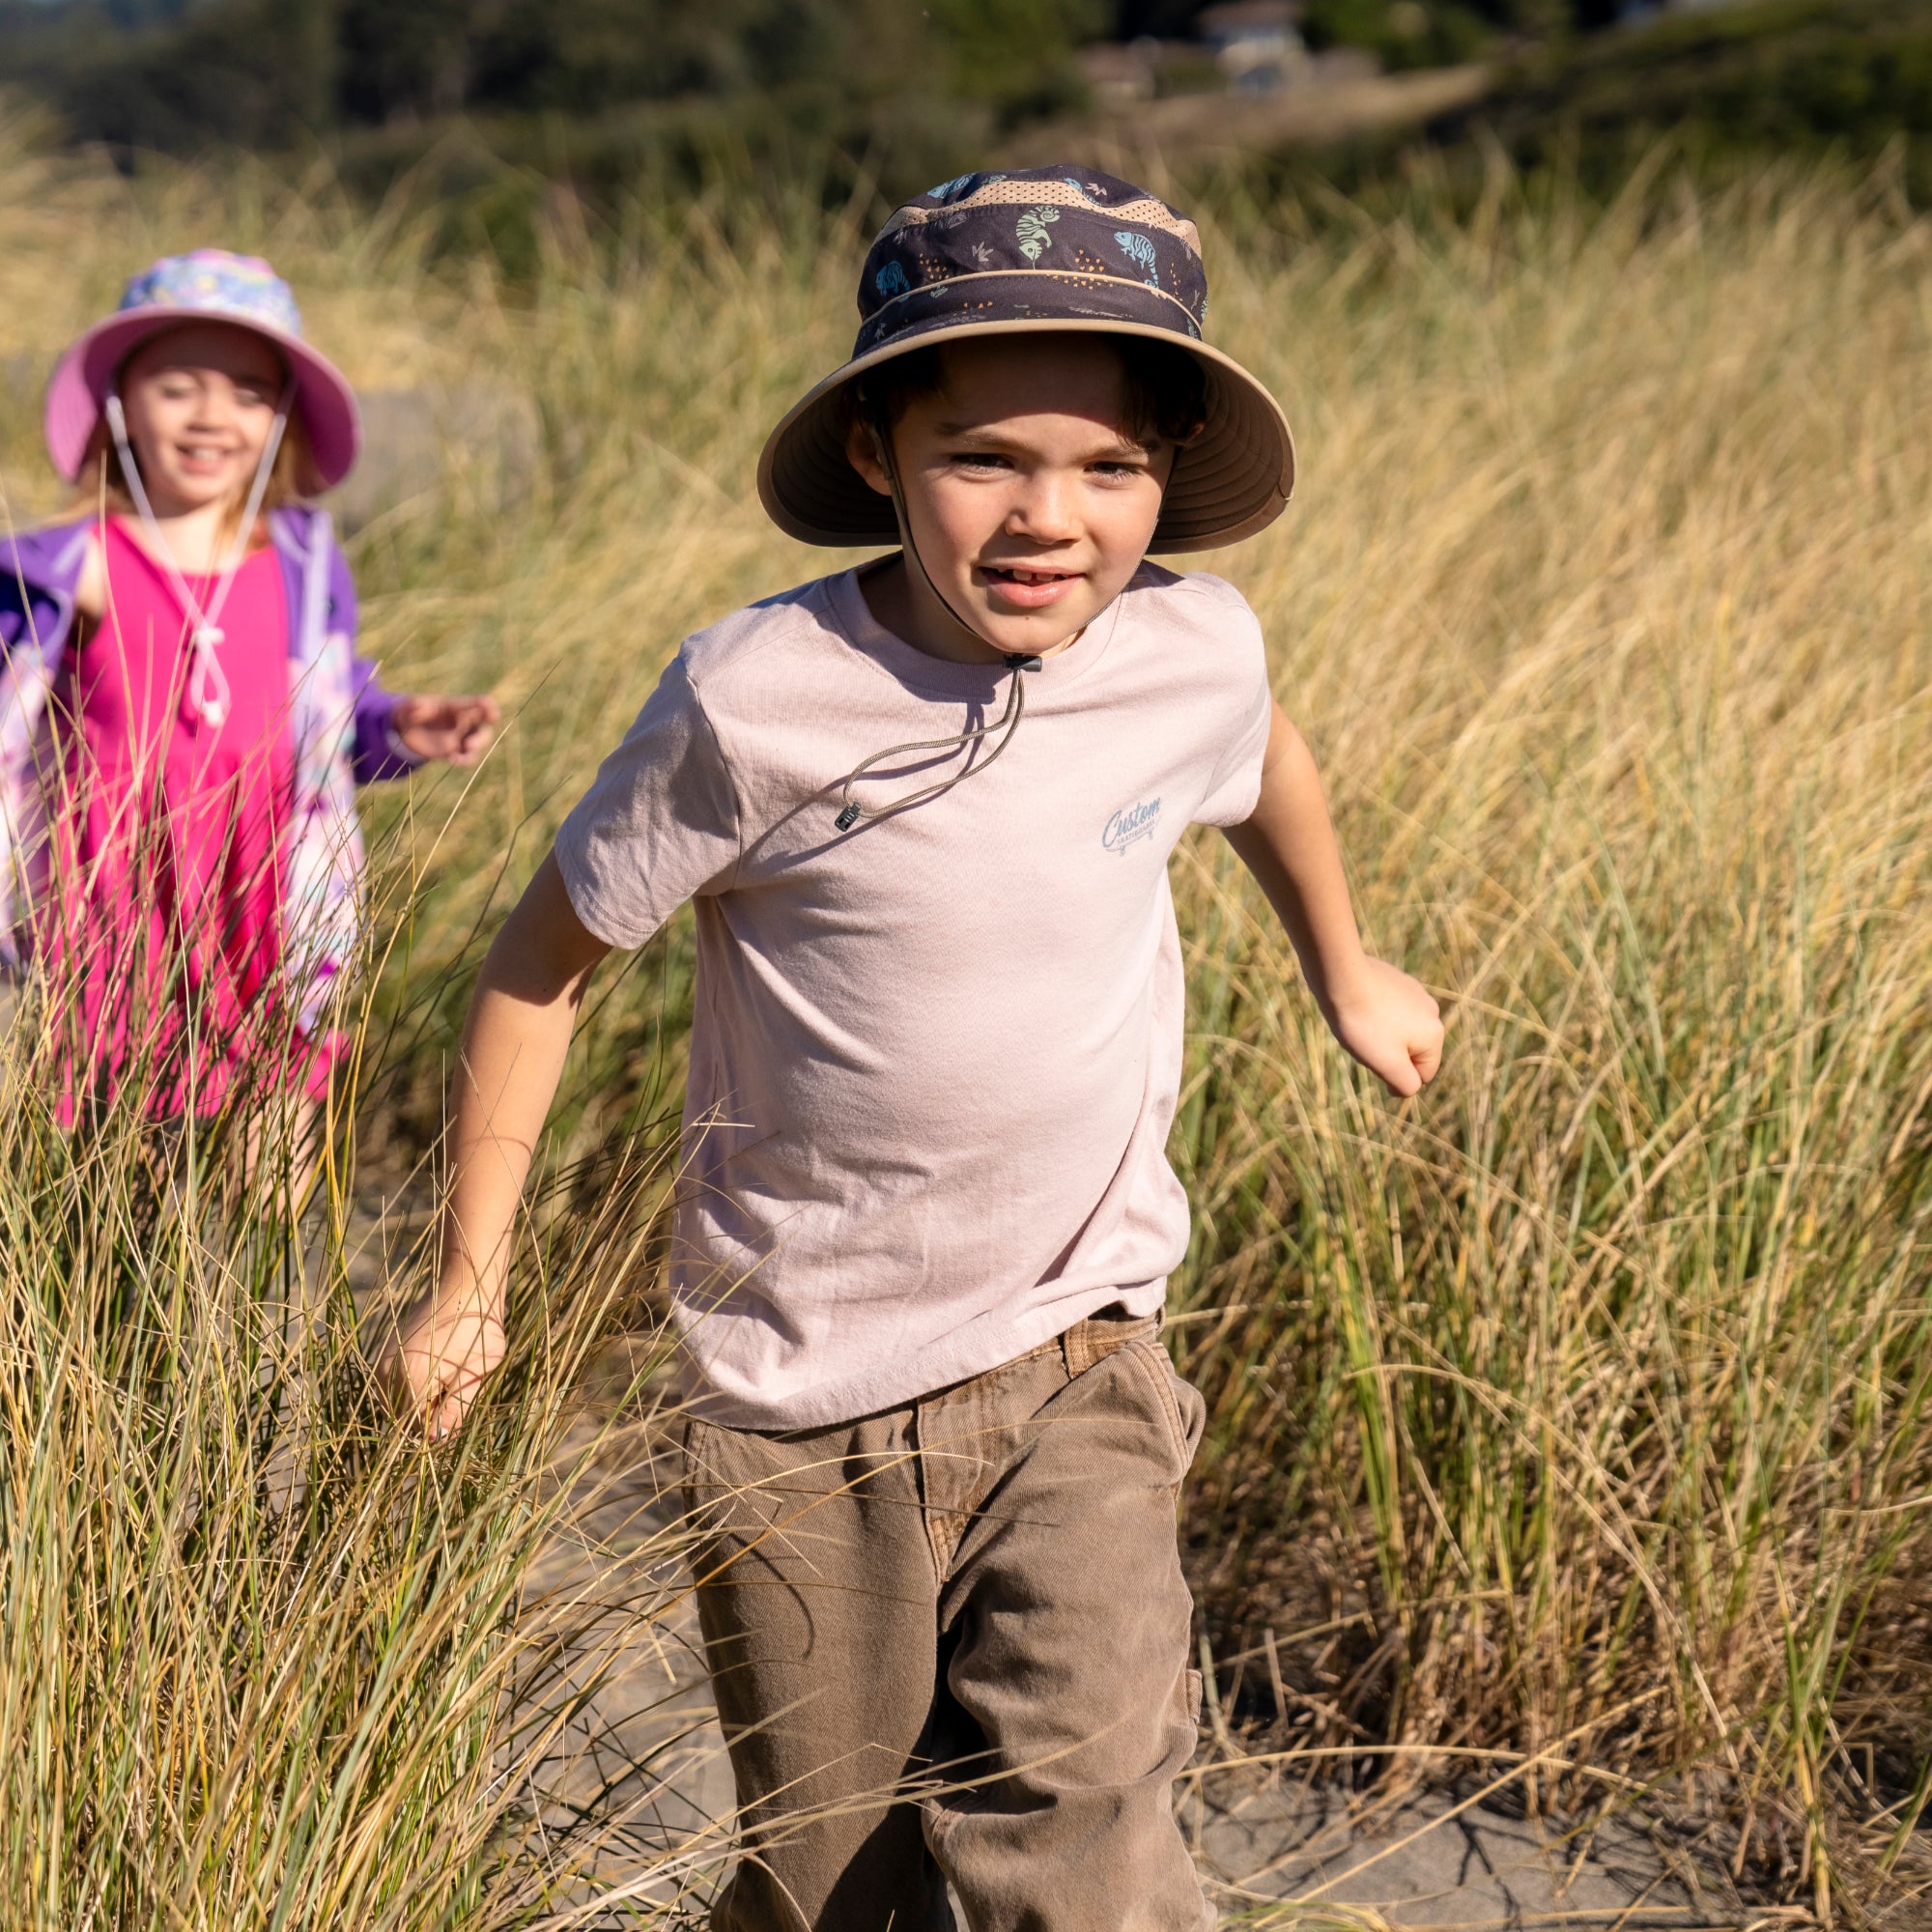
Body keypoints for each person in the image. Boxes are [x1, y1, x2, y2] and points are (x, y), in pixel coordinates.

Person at [392, 169, 1443, 1930]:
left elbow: (1266, 766)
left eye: (1111, 467)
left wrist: (1350, 965)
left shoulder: (1191, 648)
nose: (1053, 519)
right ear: (879, 450)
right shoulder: (754, 703)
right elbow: (537, 969)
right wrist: (469, 1283)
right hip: (799, 1395)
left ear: (1170, 467)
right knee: (832, 1889)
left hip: (1080, 1340)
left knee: (1087, 1824)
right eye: (988, 459)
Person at [0, 249, 497, 1130]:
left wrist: (403, 725)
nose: (210, 416)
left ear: (280, 419)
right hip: (100, 920)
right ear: (119, 405)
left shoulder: (304, 567)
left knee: (271, 1160)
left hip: (258, 909)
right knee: (98, 1161)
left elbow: (330, 717)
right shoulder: (67, 568)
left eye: (246, 391)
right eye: (176, 386)